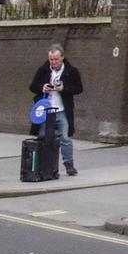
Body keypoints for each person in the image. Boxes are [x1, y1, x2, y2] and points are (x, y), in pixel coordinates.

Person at [29, 45, 82, 176]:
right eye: (51, 59)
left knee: (65, 138)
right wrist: (43, 87)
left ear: (62, 58)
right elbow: (32, 86)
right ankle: (43, 166)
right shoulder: (43, 70)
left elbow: (79, 88)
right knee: (42, 137)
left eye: (56, 59)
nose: (53, 62)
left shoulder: (71, 71)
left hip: (62, 110)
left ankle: (69, 165)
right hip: (45, 110)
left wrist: (64, 88)